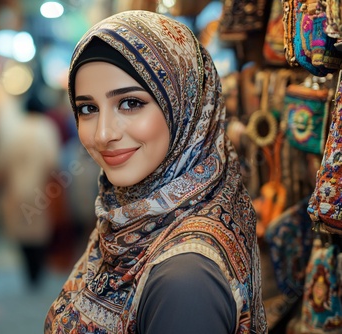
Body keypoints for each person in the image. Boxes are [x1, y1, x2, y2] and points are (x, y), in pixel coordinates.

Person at [45, 10, 267, 334]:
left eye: (130, 103)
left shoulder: (185, 280)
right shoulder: (128, 222)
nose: (103, 133)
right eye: (88, 109)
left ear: (185, 105)